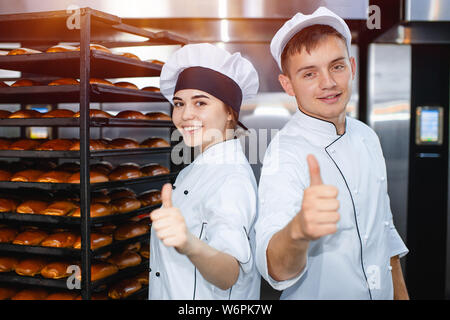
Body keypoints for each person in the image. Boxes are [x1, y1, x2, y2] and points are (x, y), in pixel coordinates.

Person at [255, 7, 409, 300]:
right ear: (287, 85)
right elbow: (276, 267)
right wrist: (299, 230)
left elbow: (384, 233)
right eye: (309, 73)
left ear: (351, 66)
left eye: (337, 66)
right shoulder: (285, 152)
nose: (328, 82)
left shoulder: (367, 136)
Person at [148, 43, 261, 299]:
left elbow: (229, 273)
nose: (186, 114)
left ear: (230, 113)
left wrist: (188, 243)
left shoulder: (230, 179)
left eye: (200, 103)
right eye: (179, 103)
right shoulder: (195, 169)